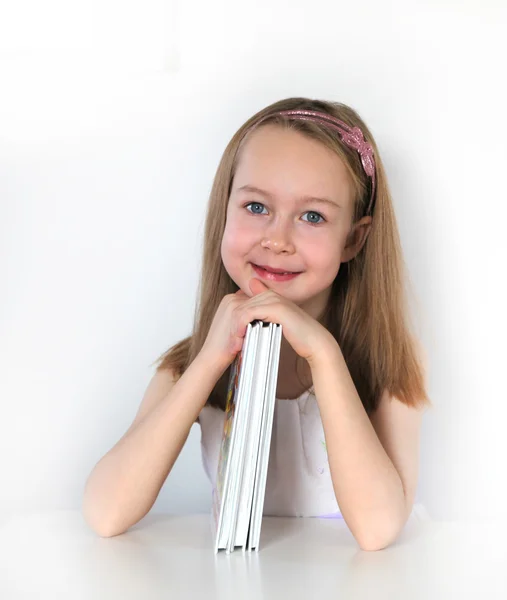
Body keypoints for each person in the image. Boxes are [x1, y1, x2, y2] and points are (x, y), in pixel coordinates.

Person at [82, 97, 432, 551]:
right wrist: (210, 358)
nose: (277, 239)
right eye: (255, 207)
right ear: (225, 208)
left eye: (312, 216)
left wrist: (324, 355)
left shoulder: (392, 362)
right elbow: (105, 513)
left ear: (354, 238)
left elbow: (377, 529)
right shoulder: (188, 363)